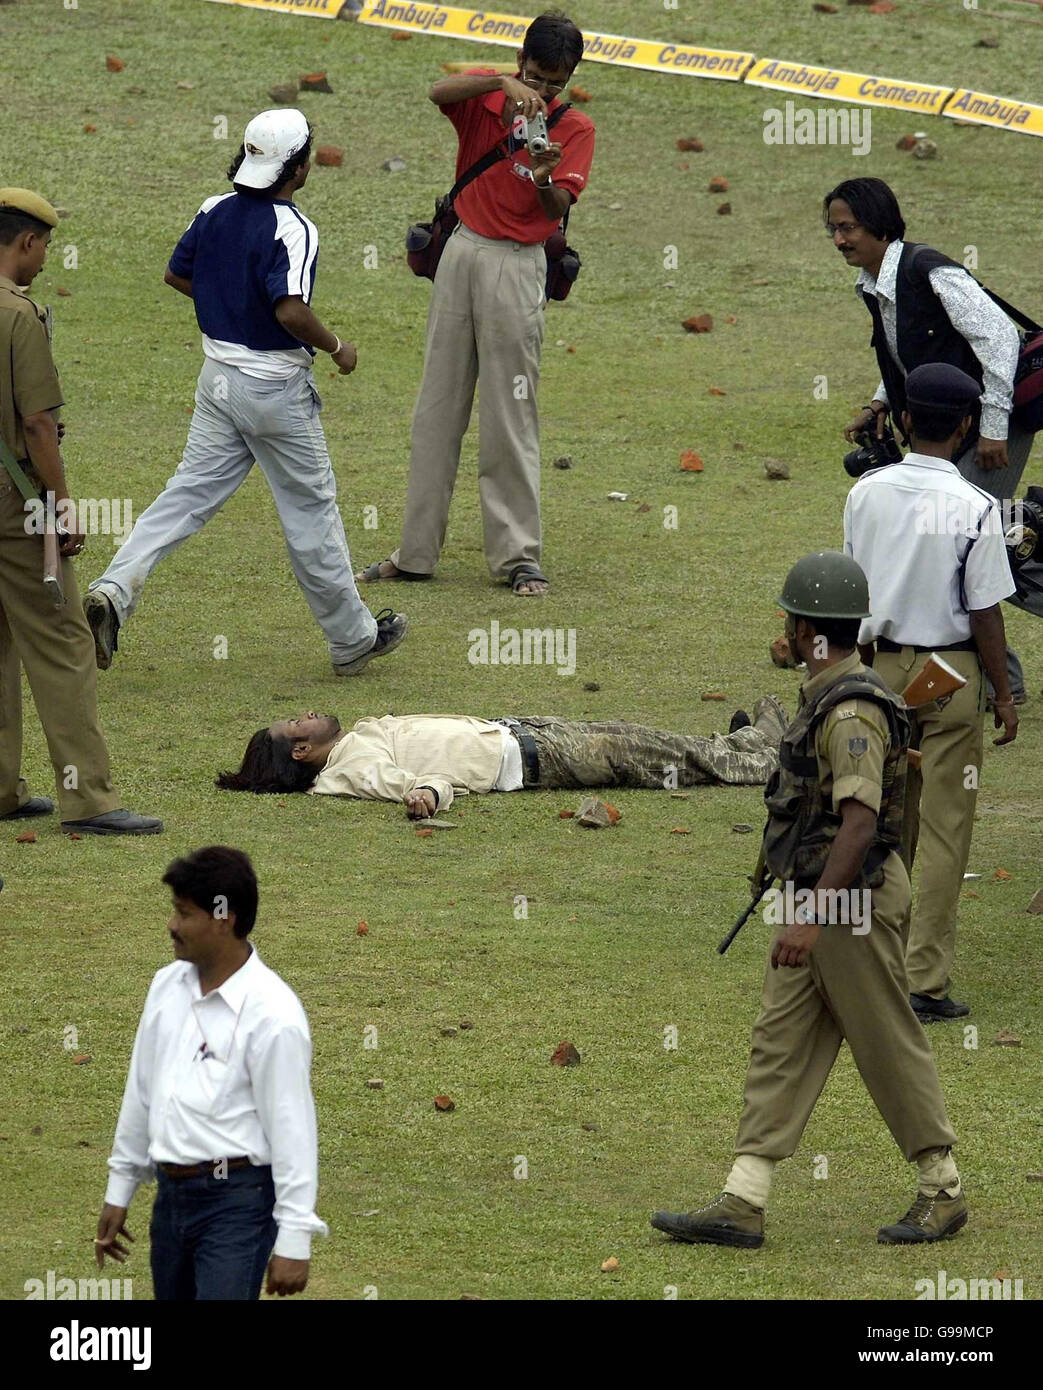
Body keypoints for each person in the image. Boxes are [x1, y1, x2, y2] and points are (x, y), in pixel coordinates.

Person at [652, 552, 966, 1250]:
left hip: (848, 905)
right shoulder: (827, 691)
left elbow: (858, 823)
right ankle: (743, 1197)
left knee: (884, 1039)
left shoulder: (850, 709)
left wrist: (809, 915)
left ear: (807, 629)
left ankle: (941, 1189)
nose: (783, 630)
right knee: (778, 1043)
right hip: (824, 902)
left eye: (788, 619)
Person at [84, 110, 406, 677]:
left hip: (217, 382)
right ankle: (353, 639)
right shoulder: (294, 227)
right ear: (299, 169)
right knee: (310, 513)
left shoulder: (213, 209)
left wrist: (224, 305)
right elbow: (290, 309)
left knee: (183, 496)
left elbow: (177, 274)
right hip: (274, 389)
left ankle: (114, 589)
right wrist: (337, 347)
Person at [357, 10, 595, 597]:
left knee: (509, 415)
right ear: (521, 63)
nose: (543, 93)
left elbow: (552, 209)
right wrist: (497, 84)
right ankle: (414, 553)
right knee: (435, 409)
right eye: (536, 77)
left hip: (518, 266)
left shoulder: (576, 130)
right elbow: (437, 91)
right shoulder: (489, 97)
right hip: (461, 252)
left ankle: (518, 558)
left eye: (555, 82)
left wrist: (542, 177)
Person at [844, 363, 1018, 1022]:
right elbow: (984, 614)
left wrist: (861, 674)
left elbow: (854, 592)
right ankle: (923, 981)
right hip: (948, 679)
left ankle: (874, 962)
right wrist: (1001, 694)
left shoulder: (864, 493)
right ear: (969, 427)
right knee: (945, 831)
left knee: (887, 821)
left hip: (881, 671)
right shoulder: (975, 507)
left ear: (906, 418)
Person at [826, 175, 1037, 702]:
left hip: (987, 426)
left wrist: (992, 426)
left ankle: (997, 682)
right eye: (832, 229)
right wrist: (880, 401)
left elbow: (997, 338)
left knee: (965, 541)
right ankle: (991, 677)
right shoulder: (876, 284)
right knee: (960, 543)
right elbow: (904, 353)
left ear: (878, 225)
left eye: (847, 228)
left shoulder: (929, 270)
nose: (839, 240)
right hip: (951, 426)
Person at [95, 847, 326, 1300]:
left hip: (236, 1205)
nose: (172, 925)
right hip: (171, 1198)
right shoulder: (166, 986)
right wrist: (120, 1188)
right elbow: (142, 1092)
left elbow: (293, 1129)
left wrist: (295, 1238)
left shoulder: (272, 1015)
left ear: (224, 917)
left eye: (184, 913)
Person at [0, 188, 161, 836]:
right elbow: (38, 422)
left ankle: (3, 790)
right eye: (44, 248)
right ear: (26, 242)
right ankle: (89, 799)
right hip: (15, 506)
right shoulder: (19, 316)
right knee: (65, 639)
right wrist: (63, 506)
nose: (43, 261)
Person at [215, 701, 789, 809]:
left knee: (653, 745)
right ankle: (765, 754)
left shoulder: (346, 749)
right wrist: (425, 796)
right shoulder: (351, 767)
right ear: (300, 747)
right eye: (299, 720)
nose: (309, 712)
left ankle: (739, 745)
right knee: (655, 753)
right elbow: (422, 781)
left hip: (520, 733)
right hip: (534, 757)